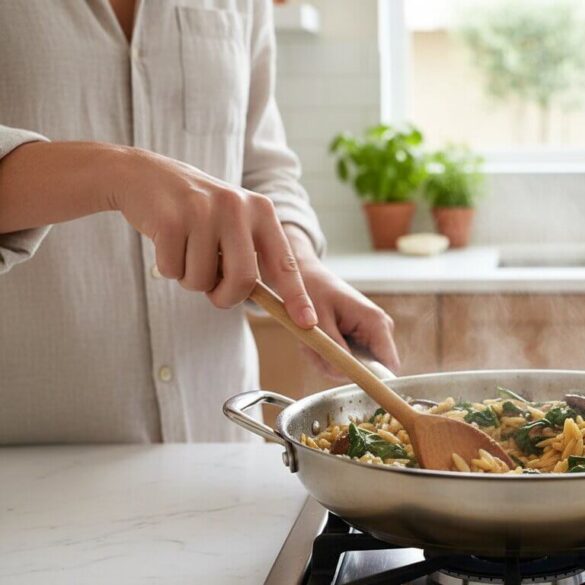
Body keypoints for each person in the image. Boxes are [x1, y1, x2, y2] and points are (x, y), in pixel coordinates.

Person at [0, 0, 399, 443]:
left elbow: (263, 169)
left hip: (222, 447)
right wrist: (115, 172)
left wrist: (296, 264)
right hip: (25, 470)